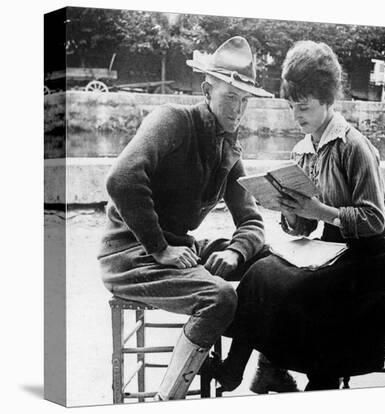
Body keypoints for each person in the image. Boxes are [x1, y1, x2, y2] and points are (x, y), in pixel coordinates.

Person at [205, 40, 385, 392]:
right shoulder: (303, 150)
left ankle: (298, 376)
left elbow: (373, 221)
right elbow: (304, 224)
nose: (297, 116)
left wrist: (317, 210)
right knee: (261, 272)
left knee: (296, 290)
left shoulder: (354, 147)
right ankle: (245, 368)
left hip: (371, 260)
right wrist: (287, 211)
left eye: (304, 107)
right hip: (331, 249)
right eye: (291, 107)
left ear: (327, 100)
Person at [97, 36, 273, 401]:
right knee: (221, 297)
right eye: (229, 98)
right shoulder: (172, 120)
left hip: (178, 248)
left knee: (269, 263)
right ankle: (168, 400)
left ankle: (237, 371)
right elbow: (122, 179)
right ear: (207, 90)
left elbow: (252, 222)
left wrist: (237, 253)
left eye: (244, 102)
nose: (238, 111)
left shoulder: (227, 146)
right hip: (130, 255)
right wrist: (161, 249)